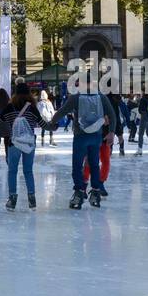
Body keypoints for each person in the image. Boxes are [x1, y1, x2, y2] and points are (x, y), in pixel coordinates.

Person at [44, 80, 118, 210]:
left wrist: (52, 123)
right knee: (94, 164)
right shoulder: (101, 97)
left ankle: (79, 192)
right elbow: (112, 115)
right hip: (96, 136)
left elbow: (62, 111)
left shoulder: (76, 97)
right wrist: (111, 132)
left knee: (78, 165)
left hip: (81, 136)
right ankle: (95, 192)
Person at [0, 82, 45, 210]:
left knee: (12, 171)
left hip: (14, 143)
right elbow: (42, 123)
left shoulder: (10, 107)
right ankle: (32, 199)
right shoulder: (32, 108)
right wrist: (53, 126)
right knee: (28, 171)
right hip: (29, 143)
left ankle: (12, 199)